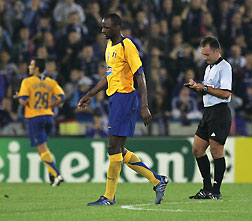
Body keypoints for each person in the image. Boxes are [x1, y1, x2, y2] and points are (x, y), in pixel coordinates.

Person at [78, 13, 168, 206]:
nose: (103, 31)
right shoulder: (110, 46)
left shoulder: (128, 46)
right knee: (118, 148)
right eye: (102, 27)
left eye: (106, 27)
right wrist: (90, 94)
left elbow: (140, 76)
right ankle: (157, 180)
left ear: (117, 27)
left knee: (113, 147)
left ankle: (109, 197)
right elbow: (109, 75)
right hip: (115, 98)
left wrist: (144, 105)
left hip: (126, 98)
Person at [184, 36, 232, 199]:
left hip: (219, 113)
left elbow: (226, 93)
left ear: (216, 51)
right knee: (197, 149)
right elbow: (208, 90)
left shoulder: (224, 67)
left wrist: (205, 88)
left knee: (216, 151)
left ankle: (216, 191)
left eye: (207, 55)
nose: (204, 58)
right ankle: (206, 188)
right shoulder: (209, 67)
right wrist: (196, 87)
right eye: (203, 55)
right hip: (208, 112)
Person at [14, 58, 65, 186]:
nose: (29, 66)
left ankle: (57, 174)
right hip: (48, 117)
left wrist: (19, 97)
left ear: (37, 68)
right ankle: (51, 176)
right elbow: (62, 97)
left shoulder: (27, 81)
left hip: (34, 117)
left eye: (31, 65)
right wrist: (52, 106)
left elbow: (23, 101)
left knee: (41, 149)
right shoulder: (51, 82)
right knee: (43, 146)